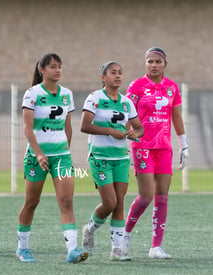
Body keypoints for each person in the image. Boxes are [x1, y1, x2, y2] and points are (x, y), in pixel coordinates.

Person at [16, 53, 89, 264]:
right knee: (31, 202)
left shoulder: (67, 94)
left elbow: (68, 126)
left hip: (62, 157)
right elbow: (27, 129)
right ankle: (22, 248)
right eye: (53, 67)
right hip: (36, 157)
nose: (58, 70)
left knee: (66, 201)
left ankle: (72, 250)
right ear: (42, 70)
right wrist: (39, 153)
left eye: (60, 67)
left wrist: (66, 148)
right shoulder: (32, 94)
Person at [123, 47, 189, 259]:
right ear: (145, 64)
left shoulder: (171, 87)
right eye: (150, 61)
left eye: (157, 61)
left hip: (164, 148)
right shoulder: (137, 86)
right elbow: (125, 111)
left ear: (165, 65)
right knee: (146, 196)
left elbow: (176, 116)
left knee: (162, 196)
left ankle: (155, 247)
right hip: (142, 146)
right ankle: (124, 235)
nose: (153, 65)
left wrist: (183, 143)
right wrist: (126, 135)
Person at [80, 61, 143, 261]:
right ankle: (89, 228)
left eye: (120, 73)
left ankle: (117, 249)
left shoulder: (127, 102)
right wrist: (111, 131)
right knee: (109, 202)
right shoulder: (95, 98)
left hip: (121, 158)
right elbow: (84, 125)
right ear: (103, 77)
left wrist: (133, 133)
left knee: (120, 202)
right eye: (113, 73)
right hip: (100, 157)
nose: (118, 76)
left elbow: (139, 128)